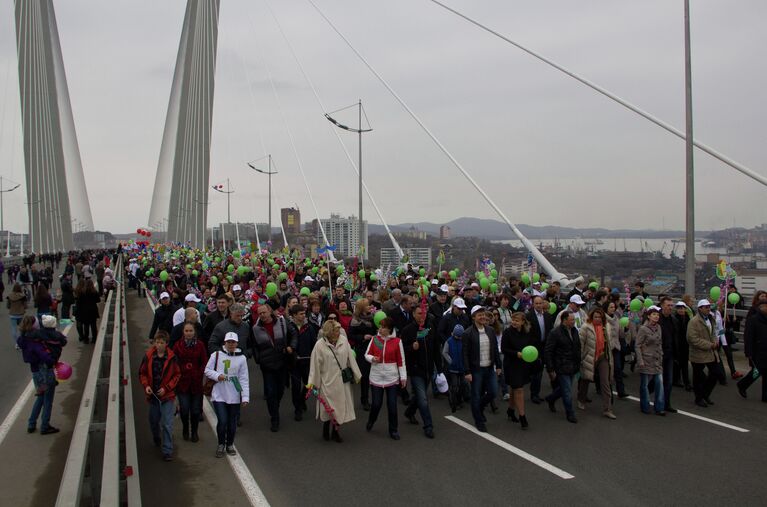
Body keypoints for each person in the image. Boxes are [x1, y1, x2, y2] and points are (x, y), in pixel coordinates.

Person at [307, 320, 362, 442]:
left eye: (339, 330)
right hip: (327, 381)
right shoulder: (319, 345)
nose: (339, 332)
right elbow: (315, 365)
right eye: (336, 331)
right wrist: (313, 383)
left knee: (339, 406)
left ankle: (336, 432)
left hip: (342, 381)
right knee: (328, 407)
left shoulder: (343, 340)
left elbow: (350, 358)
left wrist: (357, 374)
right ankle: (326, 428)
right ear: (329, 332)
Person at [205, 332, 250, 458]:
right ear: (224, 342)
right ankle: (221, 444)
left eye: (233, 342)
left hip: (234, 395)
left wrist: (245, 397)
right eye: (228, 342)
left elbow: (243, 378)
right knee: (223, 420)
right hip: (219, 393)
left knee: (232, 423)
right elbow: (207, 370)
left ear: (236, 343)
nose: (231, 344)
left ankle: (230, 444)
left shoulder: (242, 358)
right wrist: (217, 376)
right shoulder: (217, 355)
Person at [17, 315, 64, 434]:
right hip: (44, 372)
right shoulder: (35, 341)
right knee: (48, 399)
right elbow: (44, 356)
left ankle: (32, 423)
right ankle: (45, 425)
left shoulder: (24, 339)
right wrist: (52, 361)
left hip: (35, 372)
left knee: (41, 397)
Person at [138, 331, 181, 461]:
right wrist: (146, 386)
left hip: (167, 395)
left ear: (166, 344)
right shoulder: (149, 356)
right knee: (153, 420)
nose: (159, 345)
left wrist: (167, 388)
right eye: (157, 342)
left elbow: (177, 375)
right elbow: (142, 373)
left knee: (167, 423)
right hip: (153, 395)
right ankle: (156, 437)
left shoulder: (172, 357)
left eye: (162, 343)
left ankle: (167, 449)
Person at [401, 306, 442, 439]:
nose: (422, 316)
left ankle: (409, 412)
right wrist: (411, 348)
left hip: (428, 368)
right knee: (423, 399)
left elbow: (435, 347)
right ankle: (428, 426)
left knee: (420, 396)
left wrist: (439, 367)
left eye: (424, 313)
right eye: (419, 313)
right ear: (413, 314)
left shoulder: (430, 328)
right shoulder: (408, 330)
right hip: (416, 369)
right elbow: (402, 349)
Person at [252, 304, 294, 432]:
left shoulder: (281, 322)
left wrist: (291, 347)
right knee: (270, 392)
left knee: (280, 389)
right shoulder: (256, 328)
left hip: (281, 361)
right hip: (267, 364)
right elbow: (254, 346)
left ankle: (275, 405)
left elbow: (293, 335)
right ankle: (274, 417)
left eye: (264, 312)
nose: (262, 315)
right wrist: (258, 359)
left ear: (269, 311)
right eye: (260, 314)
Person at [365, 318, 407, 440]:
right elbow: (367, 354)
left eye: (383, 327)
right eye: (380, 327)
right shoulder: (374, 339)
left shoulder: (397, 341)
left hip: (392, 378)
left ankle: (393, 430)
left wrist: (403, 377)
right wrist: (372, 358)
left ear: (389, 329)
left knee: (392, 405)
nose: (380, 329)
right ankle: (371, 420)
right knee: (377, 404)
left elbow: (401, 361)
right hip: (376, 376)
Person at [463, 306, 502, 432]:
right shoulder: (468, 333)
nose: (482, 317)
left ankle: (478, 408)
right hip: (476, 369)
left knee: (493, 392)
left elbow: (495, 349)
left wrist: (499, 365)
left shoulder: (490, 330)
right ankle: (478, 420)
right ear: (473, 317)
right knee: (476, 395)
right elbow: (465, 354)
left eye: (483, 315)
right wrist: (467, 371)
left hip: (489, 367)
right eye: (479, 315)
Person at [171, 322, 208, 442]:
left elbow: (204, 362)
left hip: (196, 383)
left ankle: (195, 431)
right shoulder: (177, 345)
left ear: (194, 332)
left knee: (196, 410)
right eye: (186, 331)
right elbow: (174, 363)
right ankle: (185, 428)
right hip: (182, 383)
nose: (188, 333)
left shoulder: (200, 345)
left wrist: (199, 373)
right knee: (185, 409)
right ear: (183, 332)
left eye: (190, 331)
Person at [577, 307, 616, 419]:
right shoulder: (586, 327)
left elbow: (609, 342)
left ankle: (607, 409)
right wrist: (580, 359)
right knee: (586, 379)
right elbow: (581, 344)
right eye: (595, 317)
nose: (598, 319)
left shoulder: (606, 327)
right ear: (591, 317)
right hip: (589, 357)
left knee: (605, 382)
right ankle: (581, 399)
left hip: (603, 357)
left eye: (600, 317)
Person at [687, 299, 725, 408]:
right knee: (698, 377)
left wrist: (715, 341)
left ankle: (705, 394)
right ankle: (699, 398)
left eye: (709, 307)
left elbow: (713, 332)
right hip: (698, 353)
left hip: (710, 352)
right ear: (700, 309)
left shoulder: (710, 319)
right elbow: (692, 339)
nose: (708, 309)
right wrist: (709, 344)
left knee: (715, 373)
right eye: (705, 307)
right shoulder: (694, 321)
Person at [544, 311, 581, 423]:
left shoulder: (574, 331)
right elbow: (548, 351)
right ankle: (570, 413)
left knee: (565, 388)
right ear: (564, 320)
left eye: (574, 320)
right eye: (572, 320)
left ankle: (551, 398)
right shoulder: (555, 333)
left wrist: (578, 362)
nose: (574, 322)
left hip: (573, 365)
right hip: (562, 366)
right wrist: (550, 368)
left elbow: (577, 347)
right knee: (567, 391)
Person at [502, 312, 537, 429]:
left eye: (517, 320)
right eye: (513, 320)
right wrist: (516, 353)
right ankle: (522, 417)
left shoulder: (527, 332)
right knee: (519, 390)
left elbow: (530, 347)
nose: (514, 322)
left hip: (523, 364)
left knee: (514, 388)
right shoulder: (507, 332)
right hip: (511, 364)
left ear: (523, 322)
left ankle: (511, 410)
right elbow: (504, 349)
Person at [287, 304, 318, 422]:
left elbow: (314, 343)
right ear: (294, 315)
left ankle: (301, 400)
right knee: (295, 386)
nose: (303, 316)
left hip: (307, 361)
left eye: (304, 313)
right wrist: (289, 350)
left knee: (309, 385)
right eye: (301, 314)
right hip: (294, 362)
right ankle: (297, 409)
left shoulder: (309, 328)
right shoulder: (289, 328)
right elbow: (287, 343)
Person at [636, 306, 665, 416]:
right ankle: (645, 406)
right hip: (646, 360)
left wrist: (661, 355)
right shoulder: (643, 329)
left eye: (657, 315)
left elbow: (660, 343)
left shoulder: (659, 328)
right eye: (654, 314)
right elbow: (637, 346)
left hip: (657, 360)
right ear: (648, 316)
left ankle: (659, 407)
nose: (656, 316)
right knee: (645, 385)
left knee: (660, 384)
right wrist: (640, 360)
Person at [348, 299, 377, 411]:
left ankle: (374, 397)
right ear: (361, 307)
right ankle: (364, 399)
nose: (369, 307)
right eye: (366, 305)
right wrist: (362, 337)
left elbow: (376, 330)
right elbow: (350, 335)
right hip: (362, 349)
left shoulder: (372, 317)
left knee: (373, 374)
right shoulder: (355, 320)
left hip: (373, 348)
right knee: (365, 376)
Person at [737, 298, 767, 401]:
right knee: (757, 371)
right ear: (761, 307)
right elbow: (748, 337)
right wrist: (748, 352)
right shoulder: (753, 319)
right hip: (757, 351)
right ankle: (742, 385)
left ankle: (765, 396)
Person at [527, 295, 553, 403]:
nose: (538, 305)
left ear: (543, 304)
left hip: (544, 346)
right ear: (533, 304)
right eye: (536, 303)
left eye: (540, 303)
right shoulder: (529, 316)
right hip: (534, 347)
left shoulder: (547, 316)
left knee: (541, 371)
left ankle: (536, 393)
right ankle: (534, 394)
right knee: (536, 372)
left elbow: (550, 331)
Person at [442, 324, 470, 412]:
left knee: (464, 384)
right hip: (453, 369)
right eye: (457, 336)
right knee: (454, 386)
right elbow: (444, 352)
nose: (459, 338)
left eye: (460, 336)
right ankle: (454, 401)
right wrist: (451, 361)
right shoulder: (449, 341)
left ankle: (460, 399)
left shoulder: (464, 341)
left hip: (462, 368)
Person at [603, 301, 627, 398]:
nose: (613, 309)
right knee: (607, 371)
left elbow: (621, 334)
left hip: (616, 347)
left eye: (614, 307)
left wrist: (625, 329)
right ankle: (607, 391)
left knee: (617, 369)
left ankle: (621, 391)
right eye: (611, 307)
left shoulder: (617, 319)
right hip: (606, 348)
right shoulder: (603, 319)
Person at [672, 301, 692, 392]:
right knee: (678, 364)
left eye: (682, 308)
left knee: (684, 364)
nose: (681, 310)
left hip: (685, 344)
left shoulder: (688, 318)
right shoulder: (674, 318)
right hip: (677, 344)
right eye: (679, 308)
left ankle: (686, 382)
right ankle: (677, 380)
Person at [74, 278, 100, 344]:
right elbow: (98, 300)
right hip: (93, 310)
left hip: (85, 310)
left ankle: (86, 339)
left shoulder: (83, 292)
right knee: (93, 325)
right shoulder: (94, 292)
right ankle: (94, 338)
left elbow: (79, 302)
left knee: (86, 325)